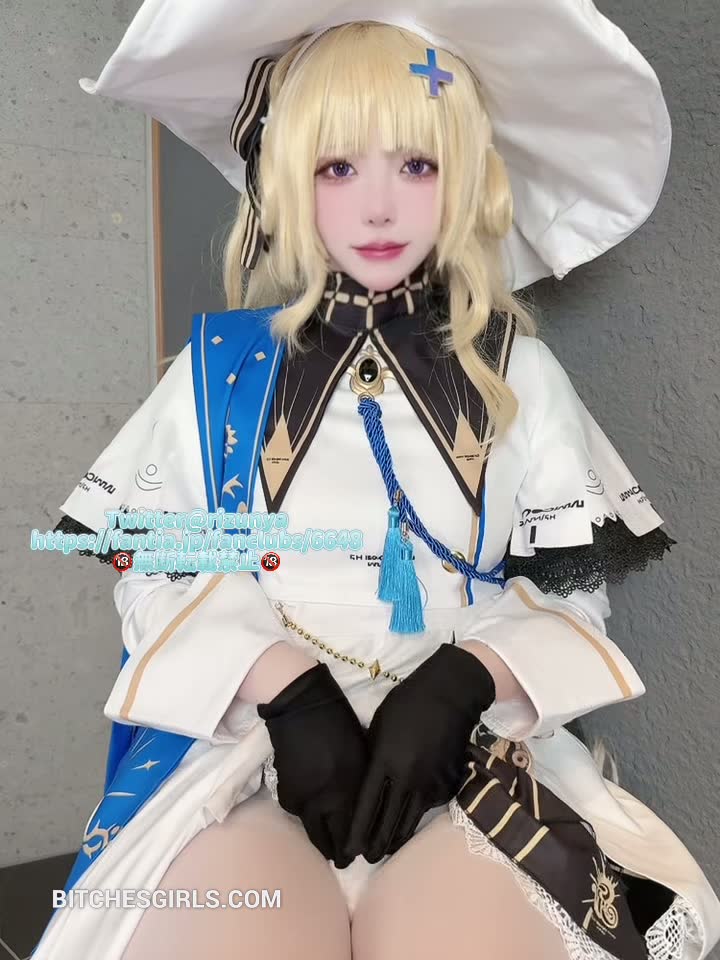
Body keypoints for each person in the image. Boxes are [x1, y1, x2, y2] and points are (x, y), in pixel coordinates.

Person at [32, 5, 720, 959]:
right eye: (338, 168)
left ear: (465, 175)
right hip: (252, 757)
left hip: (466, 760)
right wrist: (287, 692)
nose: (381, 207)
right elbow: (154, 571)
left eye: (418, 165)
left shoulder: (516, 374)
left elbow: (571, 593)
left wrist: (463, 681)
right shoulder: (219, 373)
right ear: (285, 175)